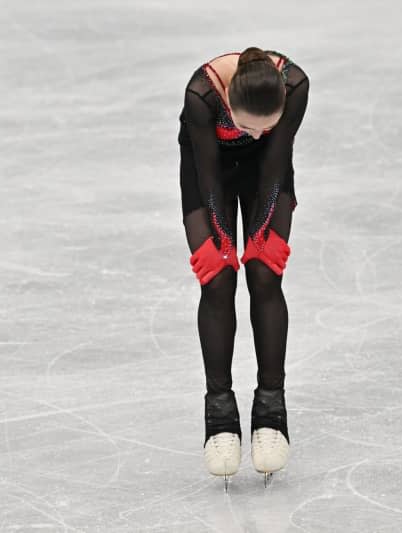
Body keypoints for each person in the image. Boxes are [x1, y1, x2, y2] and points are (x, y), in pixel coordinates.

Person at [177, 46, 310, 490]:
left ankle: (271, 411)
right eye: (247, 127)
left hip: (265, 174)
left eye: (264, 127)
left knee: (264, 274)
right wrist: (222, 242)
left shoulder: (294, 86)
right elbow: (210, 178)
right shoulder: (202, 95)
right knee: (217, 280)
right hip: (206, 169)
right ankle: (220, 418)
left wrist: (257, 242)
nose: (254, 135)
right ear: (230, 105)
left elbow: (274, 161)